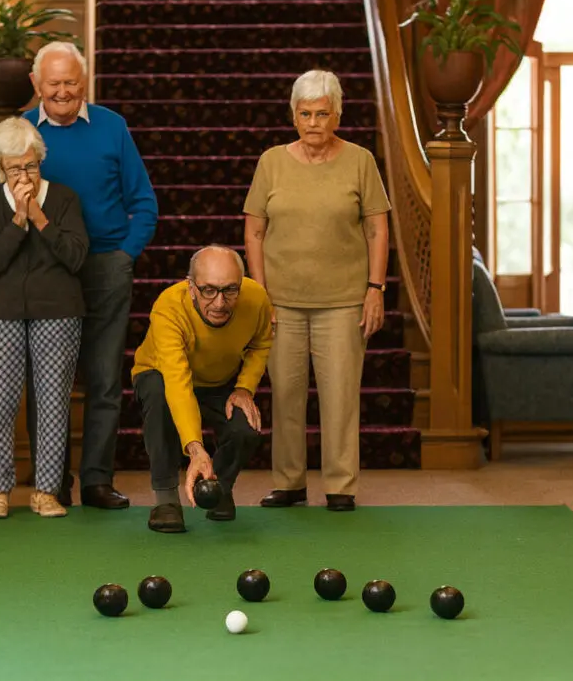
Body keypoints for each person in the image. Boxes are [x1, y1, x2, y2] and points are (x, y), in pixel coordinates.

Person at [243, 69, 391, 512]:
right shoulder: (271, 161)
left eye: (322, 113)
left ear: (338, 115)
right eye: (305, 113)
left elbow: (377, 229)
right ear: (293, 115)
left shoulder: (360, 160)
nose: (313, 123)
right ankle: (288, 482)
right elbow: (254, 231)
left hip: (343, 301)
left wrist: (375, 288)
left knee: (341, 398)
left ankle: (340, 486)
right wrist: (260, 293)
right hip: (281, 302)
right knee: (285, 395)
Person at [22, 41, 158, 509]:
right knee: (48, 382)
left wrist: (125, 254)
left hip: (105, 265)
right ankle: (51, 481)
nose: (62, 91)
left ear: (84, 84)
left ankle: (98, 479)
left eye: (71, 83)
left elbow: (143, 201)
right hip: (46, 271)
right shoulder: (18, 133)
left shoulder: (112, 127)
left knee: (103, 379)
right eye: (53, 83)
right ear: (36, 85)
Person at [0, 117, 89, 519]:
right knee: (2, 402)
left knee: (53, 403)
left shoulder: (64, 199)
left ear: (40, 160)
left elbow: (76, 257)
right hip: (4, 313)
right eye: (13, 168)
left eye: (30, 165)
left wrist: (39, 217)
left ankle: (45, 491)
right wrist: (18, 221)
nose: (22, 175)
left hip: (57, 312)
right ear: (0, 168)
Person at [131, 245, 273, 533]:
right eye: (208, 290)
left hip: (220, 378)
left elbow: (261, 343)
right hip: (161, 373)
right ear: (191, 286)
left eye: (230, 290)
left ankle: (218, 485)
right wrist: (195, 449)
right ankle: (166, 500)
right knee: (159, 399)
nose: (220, 302)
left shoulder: (256, 297)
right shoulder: (168, 306)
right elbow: (177, 381)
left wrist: (245, 389)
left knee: (246, 426)